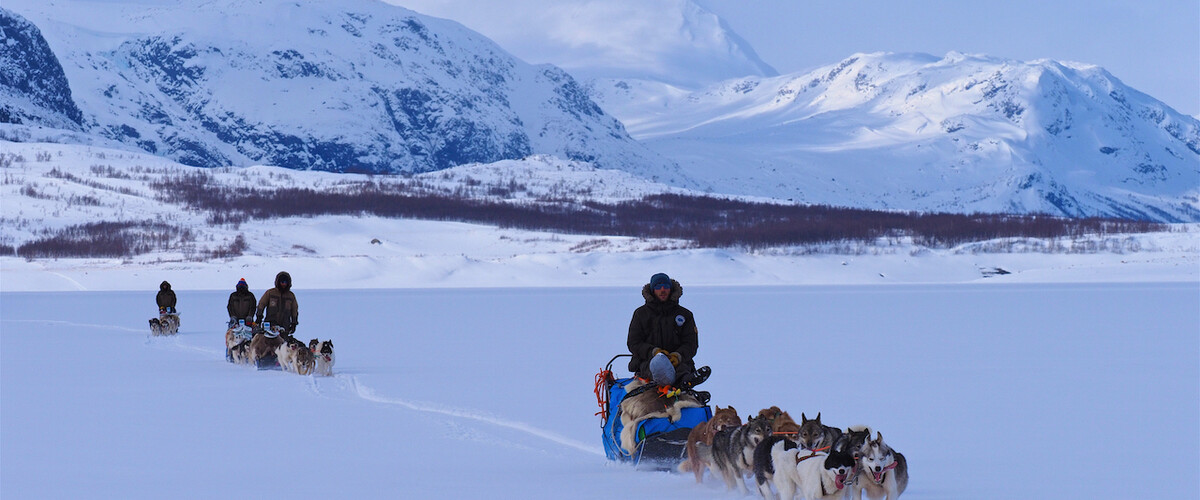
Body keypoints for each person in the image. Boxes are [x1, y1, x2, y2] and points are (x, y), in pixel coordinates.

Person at [627, 272, 710, 390]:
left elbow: (691, 344)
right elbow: (633, 343)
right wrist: (654, 352)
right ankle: (680, 383)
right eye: (658, 287)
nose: (662, 290)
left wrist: (678, 356)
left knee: (682, 370)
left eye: (665, 286)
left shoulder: (685, 315)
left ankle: (686, 381)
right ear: (652, 290)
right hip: (647, 361)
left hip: (679, 362)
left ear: (671, 288)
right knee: (656, 367)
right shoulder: (641, 314)